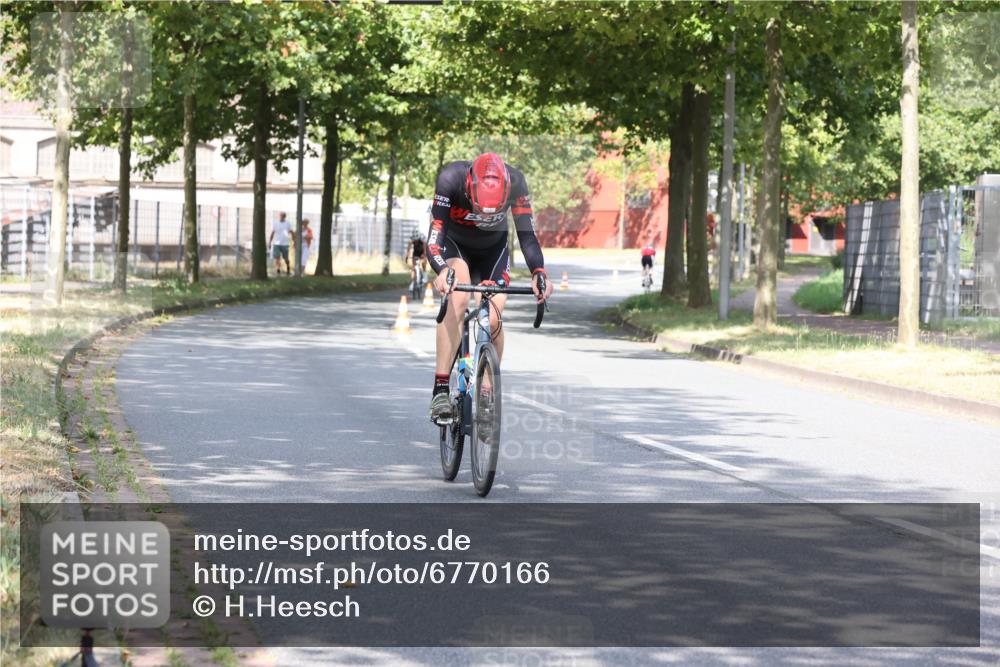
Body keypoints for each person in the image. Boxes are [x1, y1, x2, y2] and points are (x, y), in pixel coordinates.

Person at [427, 152, 553, 421]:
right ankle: (440, 389)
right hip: (455, 247)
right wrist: (441, 270)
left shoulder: (517, 181)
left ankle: (487, 390)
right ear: (469, 186)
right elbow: (434, 238)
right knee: (457, 296)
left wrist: (538, 272)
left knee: (493, 315)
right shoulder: (450, 179)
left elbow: (527, 235)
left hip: (492, 250)